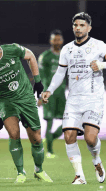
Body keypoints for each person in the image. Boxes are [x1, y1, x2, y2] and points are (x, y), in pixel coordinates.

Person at [42, 12, 106, 184]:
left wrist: (101, 64)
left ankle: (96, 161)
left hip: (93, 100)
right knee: (69, 136)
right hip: (73, 100)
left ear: (89, 28)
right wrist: (49, 90)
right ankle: (79, 176)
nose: (78, 28)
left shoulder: (99, 46)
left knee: (90, 138)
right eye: (75, 25)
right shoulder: (67, 49)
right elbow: (60, 73)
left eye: (82, 25)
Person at [0, 27, 53, 183]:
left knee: (37, 138)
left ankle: (39, 170)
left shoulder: (13, 49)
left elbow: (31, 56)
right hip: (6, 101)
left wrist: (37, 82)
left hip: (26, 97)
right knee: (13, 134)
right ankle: (20, 173)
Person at [38, 29, 66, 159]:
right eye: (54, 39)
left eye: (58, 39)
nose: (57, 42)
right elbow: (41, 77)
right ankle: (49, 151)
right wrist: (41, 94)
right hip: (49, 94)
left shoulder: (66, 56)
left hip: (61, 94)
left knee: (67, 122)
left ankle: (50, 138)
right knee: (49, 121)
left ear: (62, 41)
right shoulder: (45, 57)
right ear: (51, 40)